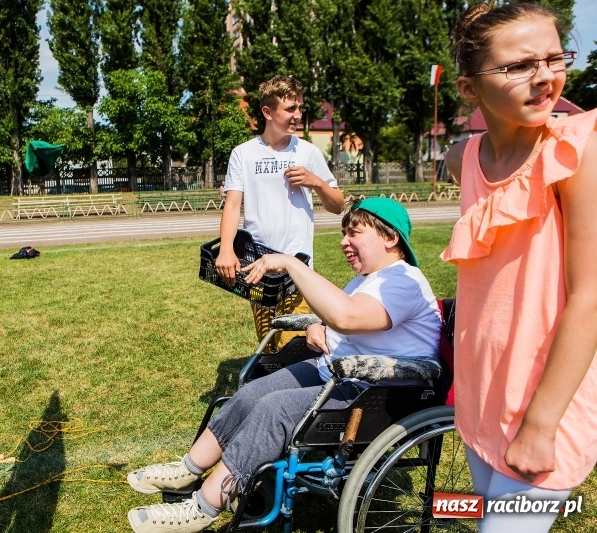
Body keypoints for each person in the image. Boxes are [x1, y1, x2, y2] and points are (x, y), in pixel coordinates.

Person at [127, 198, 442, 533]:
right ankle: (189, 469)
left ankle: (204, 508)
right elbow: (342, 320)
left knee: (274, 409)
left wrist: (293, 264)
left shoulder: (403, 280)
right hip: (339, 372)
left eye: (354, 233)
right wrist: (316, 327)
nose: (343, 242)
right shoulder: (371, 279)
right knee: (253, 393)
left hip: (377, 392)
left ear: (389, 238)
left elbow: (348, 316)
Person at [441, 3, 597, 531]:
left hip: (545, 402)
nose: (545, 77)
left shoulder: (575, 153)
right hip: (482, 394)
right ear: (469, 89)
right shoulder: (465, 155)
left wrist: (542, 422)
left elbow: (589, 296)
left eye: (554, 59)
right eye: (518, 66)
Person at [216, 75, 345, 351]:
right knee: (269, 346)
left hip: (298, 268)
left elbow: (338, 204)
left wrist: (317, 182)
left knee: (296, 347)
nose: (298, 115)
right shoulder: (243, 154)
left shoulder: (308, 153)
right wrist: (226, 248)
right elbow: (232, 203)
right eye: (290, 109)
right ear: (267, 112)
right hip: (258, 268)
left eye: (299, 107)